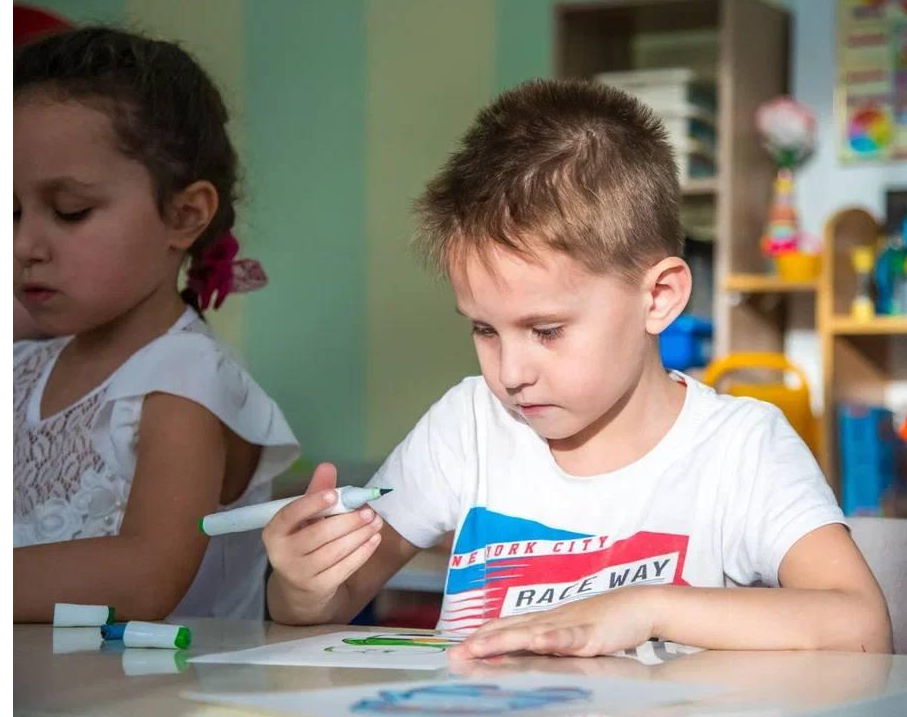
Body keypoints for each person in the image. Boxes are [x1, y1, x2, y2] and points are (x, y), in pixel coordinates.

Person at [263, 79, 891, 656]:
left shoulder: (739, 448)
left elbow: (862, 626)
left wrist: (646, 609)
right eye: (484, 329)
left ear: (659, 297)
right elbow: (326, 606)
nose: (510, 372)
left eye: (547, 331)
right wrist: (301, 584)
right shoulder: (468, 425)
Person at [14, 27, 298, 622]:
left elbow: (145, 576)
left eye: (70, 212)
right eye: (10, 212)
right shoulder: (28, 367)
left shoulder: (186, 376)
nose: (25, 244)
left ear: (184, 215)